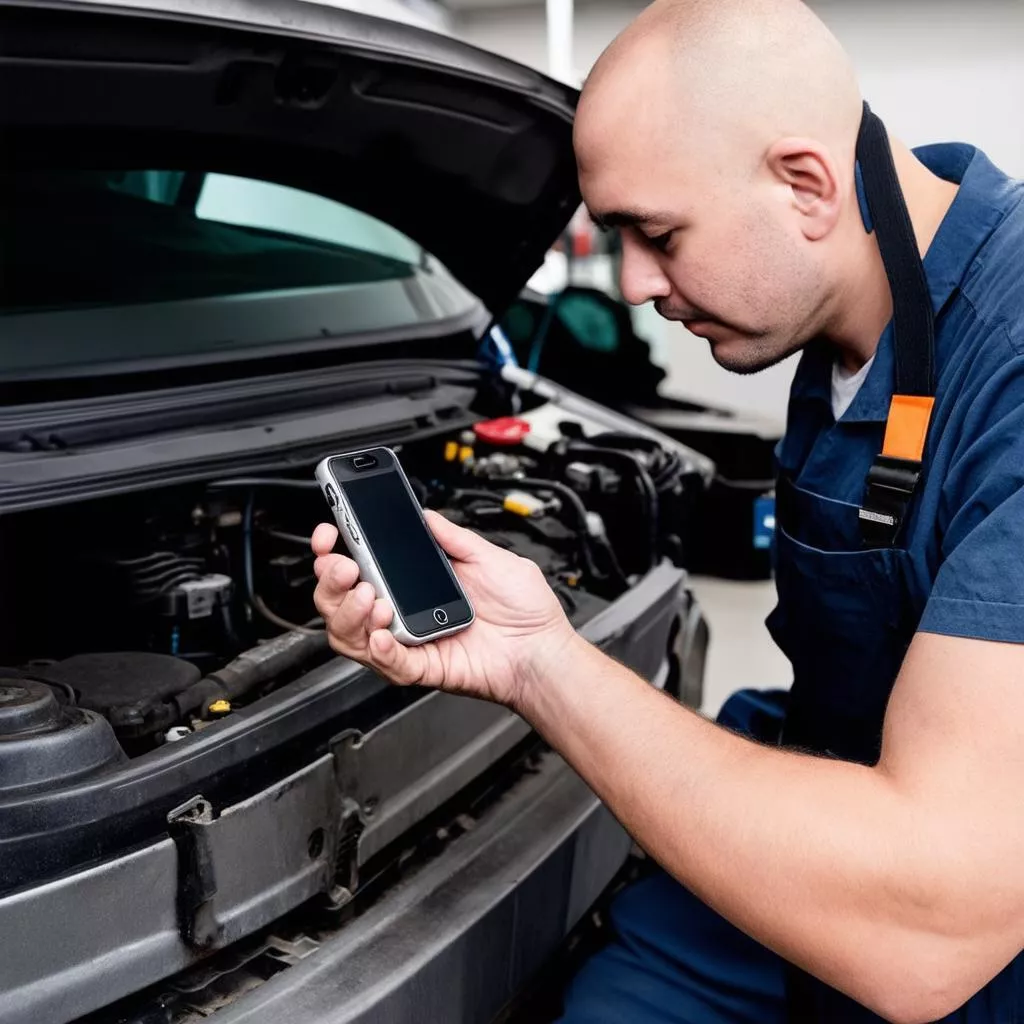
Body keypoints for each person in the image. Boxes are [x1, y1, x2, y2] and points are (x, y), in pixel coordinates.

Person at [311, 0, 1024, 1019]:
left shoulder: (1008, 367)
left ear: (806, 184)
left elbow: (930, 925)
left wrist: (540, 664)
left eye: (657, 233)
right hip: (825, 806)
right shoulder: (839, 315)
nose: (636, 283)